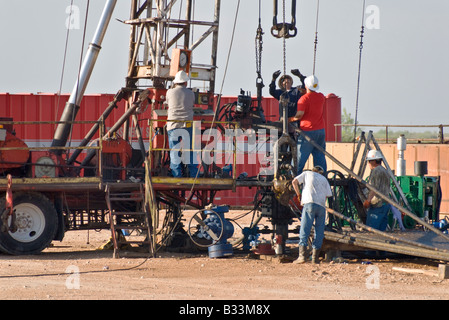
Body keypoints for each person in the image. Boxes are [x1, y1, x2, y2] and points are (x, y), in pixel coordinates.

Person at [292, 165, 332, 264]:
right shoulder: (324, 179)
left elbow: (294, 182)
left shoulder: (307, 173)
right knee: (319, 231)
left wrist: (298, 194)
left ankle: (302, 257)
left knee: (305, 228)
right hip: (321, 207)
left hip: (309, 203)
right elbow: (327, 195)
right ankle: (315, 258)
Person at [289, 75, 327, 175]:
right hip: (321, 132)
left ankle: (293, 179)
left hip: (308, 132)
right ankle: (322, 178)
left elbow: (299, 115)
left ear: (305, 85)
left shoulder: (303, 99)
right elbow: (313, 99)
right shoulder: (321, 97)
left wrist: (290, 119)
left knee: (299, 159)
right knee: (320, 156)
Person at [165, 70, 198, 178]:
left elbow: (167, 102)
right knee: (189, 150)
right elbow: (192, 103)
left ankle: (177, 174)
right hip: (187, 125)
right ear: (185, 82)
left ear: (176, 82)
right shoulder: (191, 93)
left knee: (174, 150)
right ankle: (193, 174)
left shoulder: (169, 92)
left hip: (173, 125)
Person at [363, 150, 391, 231]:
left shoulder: (376, 171)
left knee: (372, 230)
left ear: (374, 161)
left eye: (369, 161)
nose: (368, 163)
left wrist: (368, 200)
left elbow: (374, 188)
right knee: (381, 232)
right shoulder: (384, 171)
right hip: (385, 204)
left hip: (377, 205)